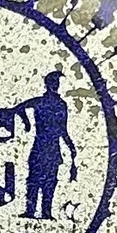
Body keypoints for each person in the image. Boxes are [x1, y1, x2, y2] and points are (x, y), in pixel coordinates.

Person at [14, 71, 77, 219]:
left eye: (57, 82)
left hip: (48, 147)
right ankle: (35, 212)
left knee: (45, 181)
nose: (56, 85)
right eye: (54, 82)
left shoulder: (56, 104)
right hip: (45, 146)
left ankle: (43, 212)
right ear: (49, 84)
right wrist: (27, 122)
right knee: (38, 180)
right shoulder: (45, 102)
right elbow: (19, 108)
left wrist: (71, 147)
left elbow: (63, 130)